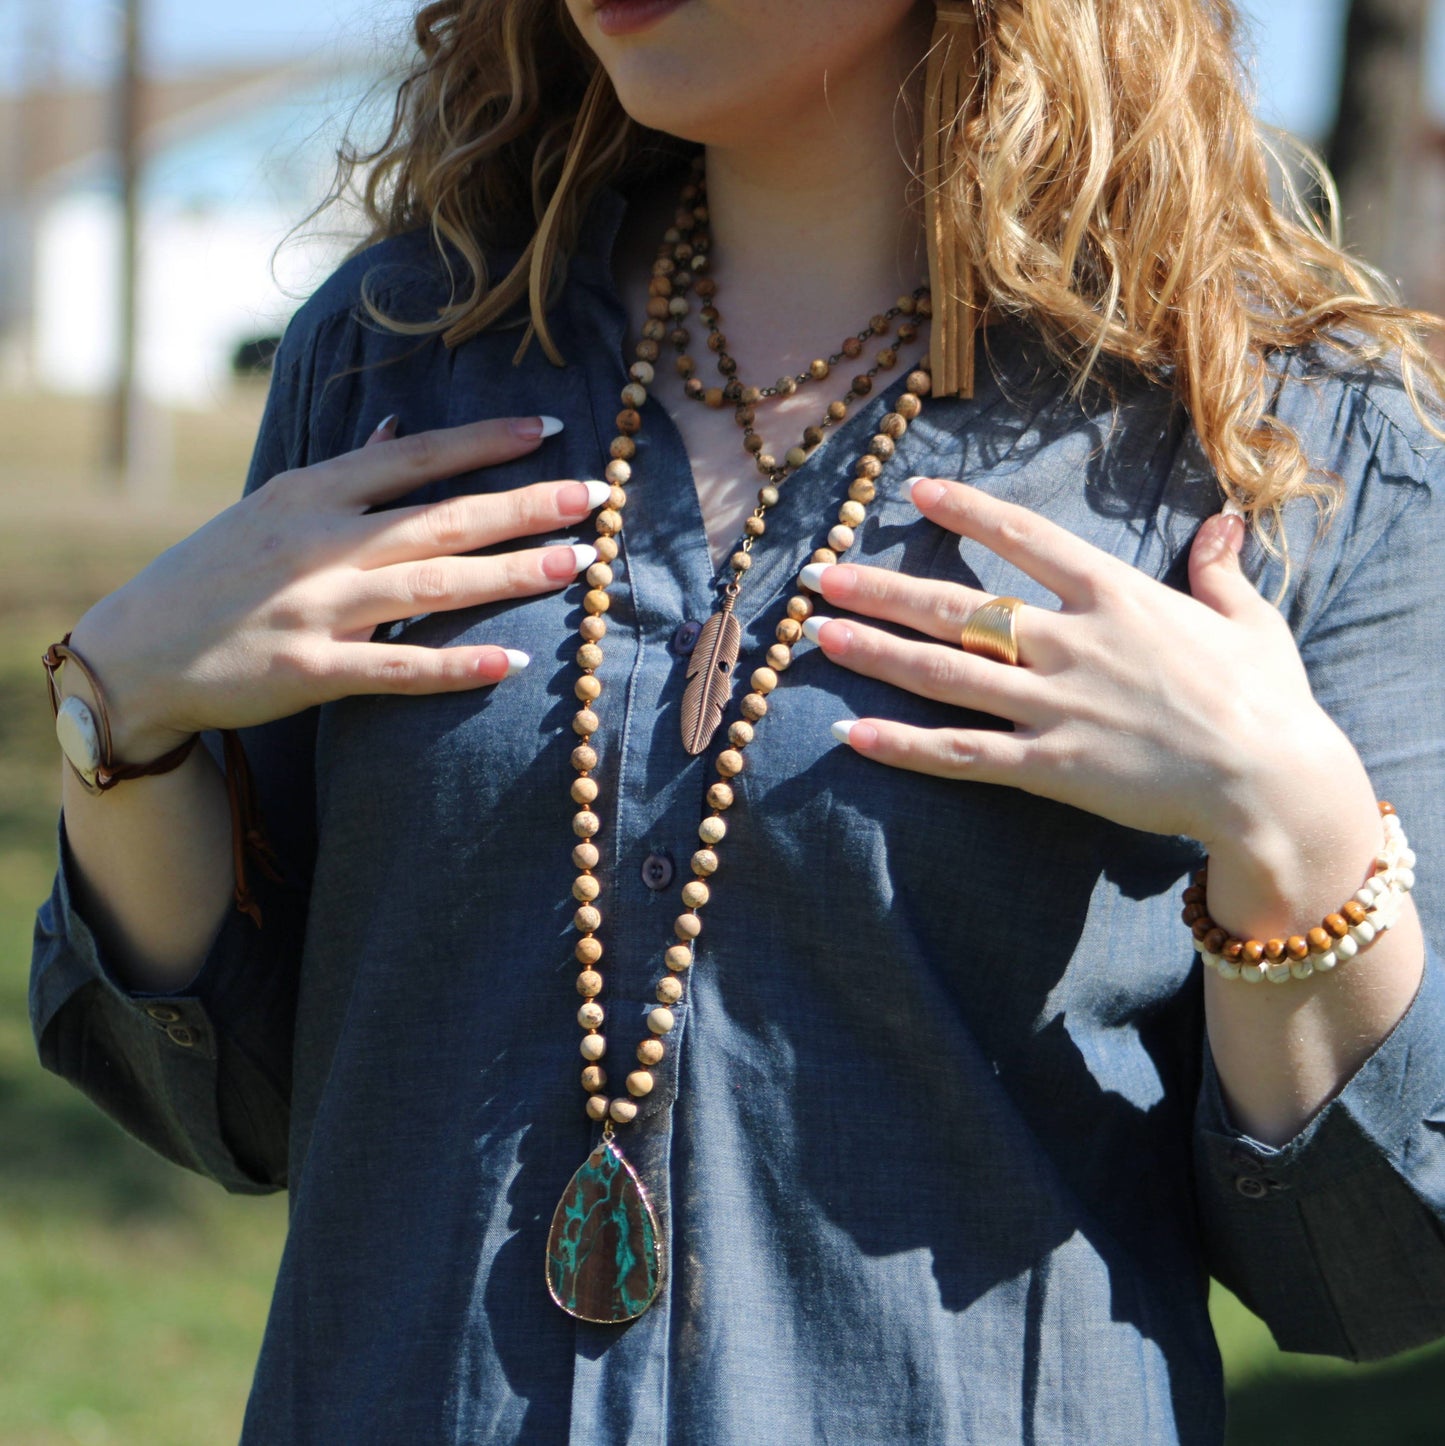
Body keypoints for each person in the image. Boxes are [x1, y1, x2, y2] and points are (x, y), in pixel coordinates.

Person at [30, 0, 1445, 1440]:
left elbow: (1364, 1271)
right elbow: (229, 1099)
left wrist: (1290, 825)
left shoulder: (1286, 444)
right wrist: (118, 717)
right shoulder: (401, 357)